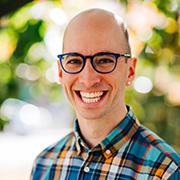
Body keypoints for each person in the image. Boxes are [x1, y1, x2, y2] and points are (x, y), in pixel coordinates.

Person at [31, 8, 179, 179]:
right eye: (74, 61)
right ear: (60, 72)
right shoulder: (44, 164)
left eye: (104, 60)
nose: (88, 79)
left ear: (130, 71)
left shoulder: (166, 171)